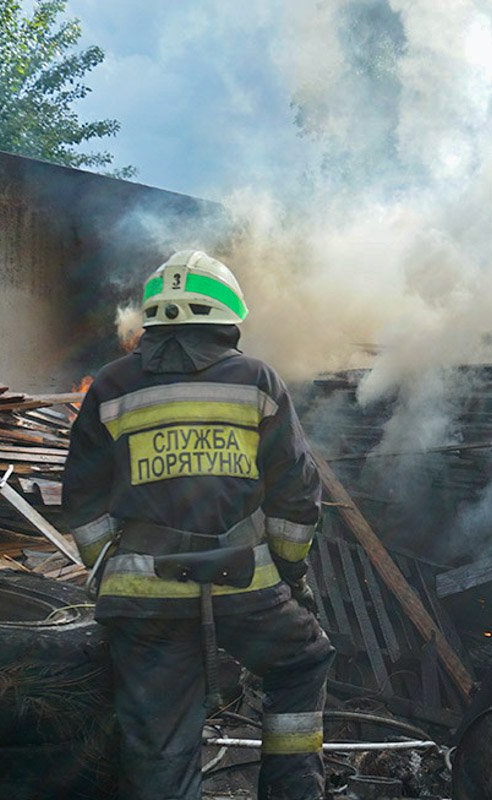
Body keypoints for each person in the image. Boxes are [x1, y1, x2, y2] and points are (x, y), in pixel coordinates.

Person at [62, 250, 332, 800]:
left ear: (152, 319)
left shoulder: (111, 386)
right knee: (303, 660)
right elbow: (297, 493)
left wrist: (107, 567)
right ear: (227, 318)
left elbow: (80, 500)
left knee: (159, 740)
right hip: (246, 588)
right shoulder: (258, 381)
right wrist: (288, 574)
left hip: (143, 593)